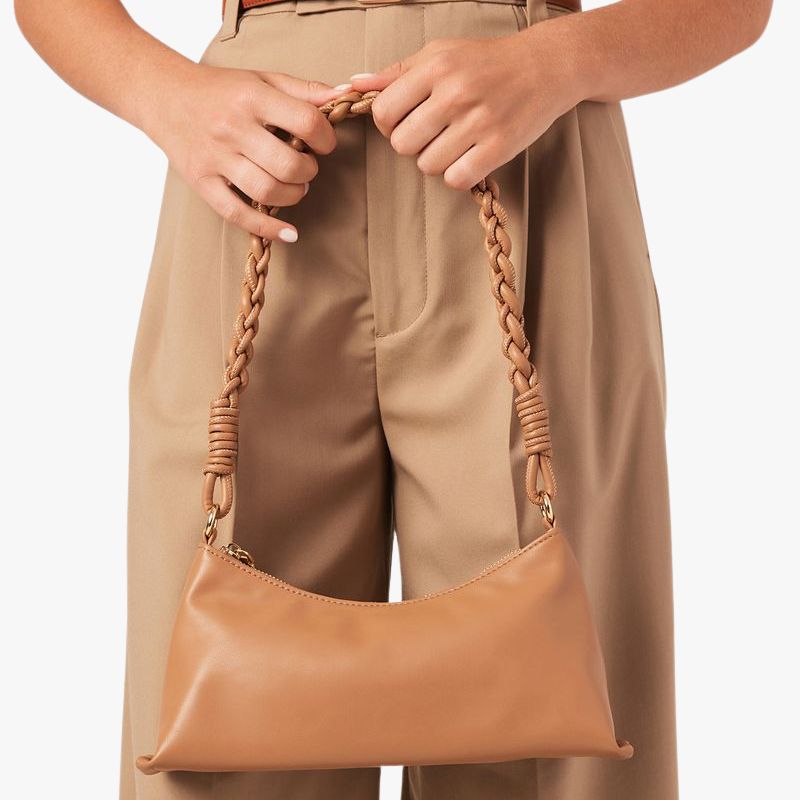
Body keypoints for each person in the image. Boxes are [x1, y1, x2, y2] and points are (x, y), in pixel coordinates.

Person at [16, 0, 771, 798]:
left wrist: (557, 61)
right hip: (253, 161)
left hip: (522, 139)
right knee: (219, 723)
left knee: (557, 732)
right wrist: (167, 95)